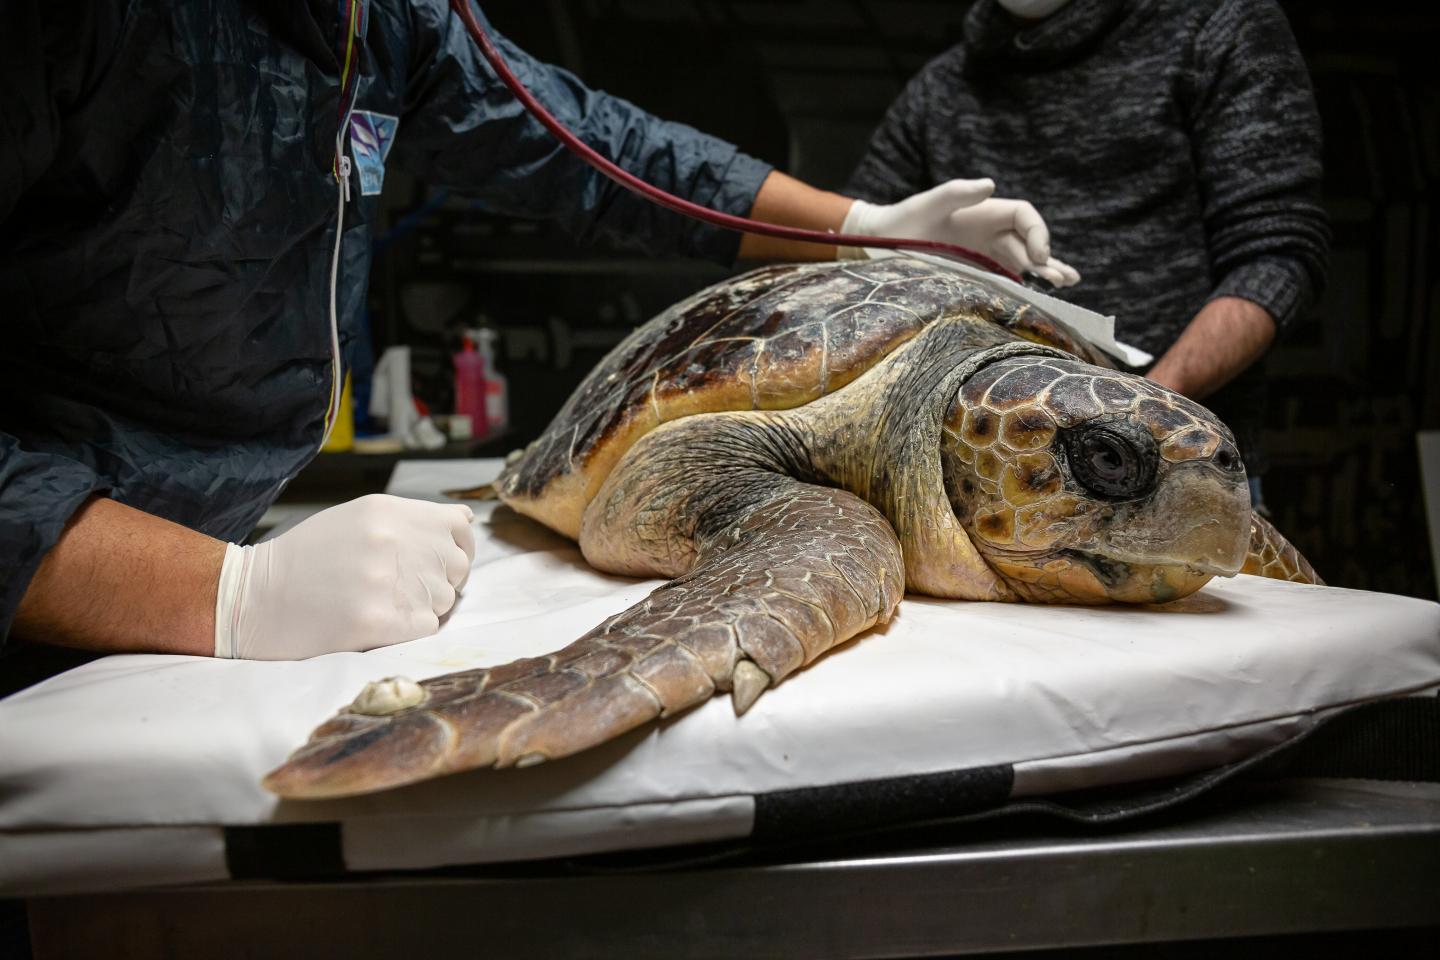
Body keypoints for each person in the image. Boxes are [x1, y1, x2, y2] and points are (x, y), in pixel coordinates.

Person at [0, 1, 1077, 664]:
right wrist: (225, 596)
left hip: (202, 540)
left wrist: (855, 230)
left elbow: (592, 149)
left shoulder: (386, 19)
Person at [845, 0, 1331, 510]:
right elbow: (855, 269)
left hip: (1173, 475)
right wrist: (881, 234)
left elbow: (1277, 255)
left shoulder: (1216, 27)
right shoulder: (940, 89)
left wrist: (1138, 415)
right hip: (978, 485)